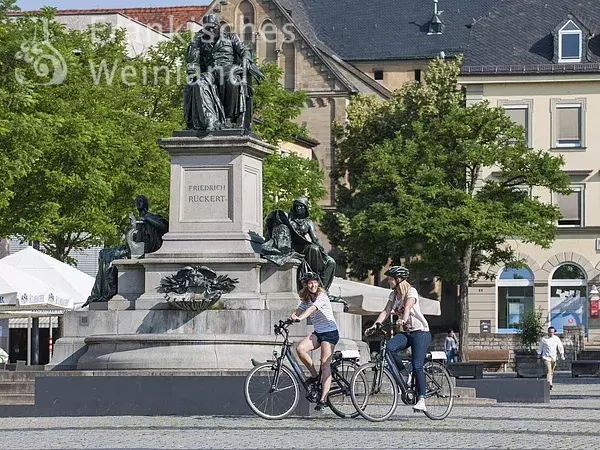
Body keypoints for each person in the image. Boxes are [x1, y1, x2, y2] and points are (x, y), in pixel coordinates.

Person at [365, 265, 431, 412]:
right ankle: (403, 372)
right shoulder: (393, 295)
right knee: (389, 348)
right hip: (406, 333)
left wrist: (403, 319)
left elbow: (407, 307)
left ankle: (421, 399)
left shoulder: (411, 291)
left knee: (417, 365)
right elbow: (386, 311)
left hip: (421, 332)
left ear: (399, 279)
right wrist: (375, 325)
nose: (388, 280)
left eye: (391, 278)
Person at [262, 196, 336, 290]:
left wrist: (324, 252)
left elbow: (315, 239)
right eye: (297, 206)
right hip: (291, 246)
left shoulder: (308, 222)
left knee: (331, 262)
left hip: (303, 246)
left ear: (305, 208)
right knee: (313, 249)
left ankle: (322, 289)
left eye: (301, 206)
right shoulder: (289, 218)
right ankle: (313, 278)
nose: (298, 208)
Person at [290, 271, 339, 411]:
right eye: (310, 283)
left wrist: (300, 318)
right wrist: (289, 319)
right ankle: (314, 375)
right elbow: (298, 311)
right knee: (300, 349)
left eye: (315, 282)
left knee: (325, 364)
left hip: (330, 333)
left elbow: (312, 309)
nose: (313, 285)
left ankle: (323, 398)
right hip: (318, 332)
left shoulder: (321, 296)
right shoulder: (306, 300)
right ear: (305, 285)